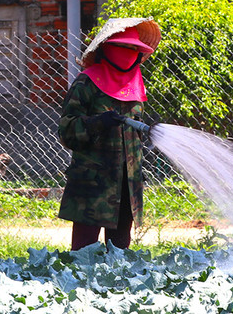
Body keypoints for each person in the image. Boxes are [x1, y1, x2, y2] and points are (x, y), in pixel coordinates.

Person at [57, 17, 161, 250]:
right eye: (123, 47)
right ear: (106, 50)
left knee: (120, 250)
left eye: (134, 49)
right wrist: (97, 123)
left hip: (128, 182)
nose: (129, 53)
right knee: (84, 252)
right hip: (92, 183)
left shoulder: (137, 85)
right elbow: (66, 131)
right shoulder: (86, 83)